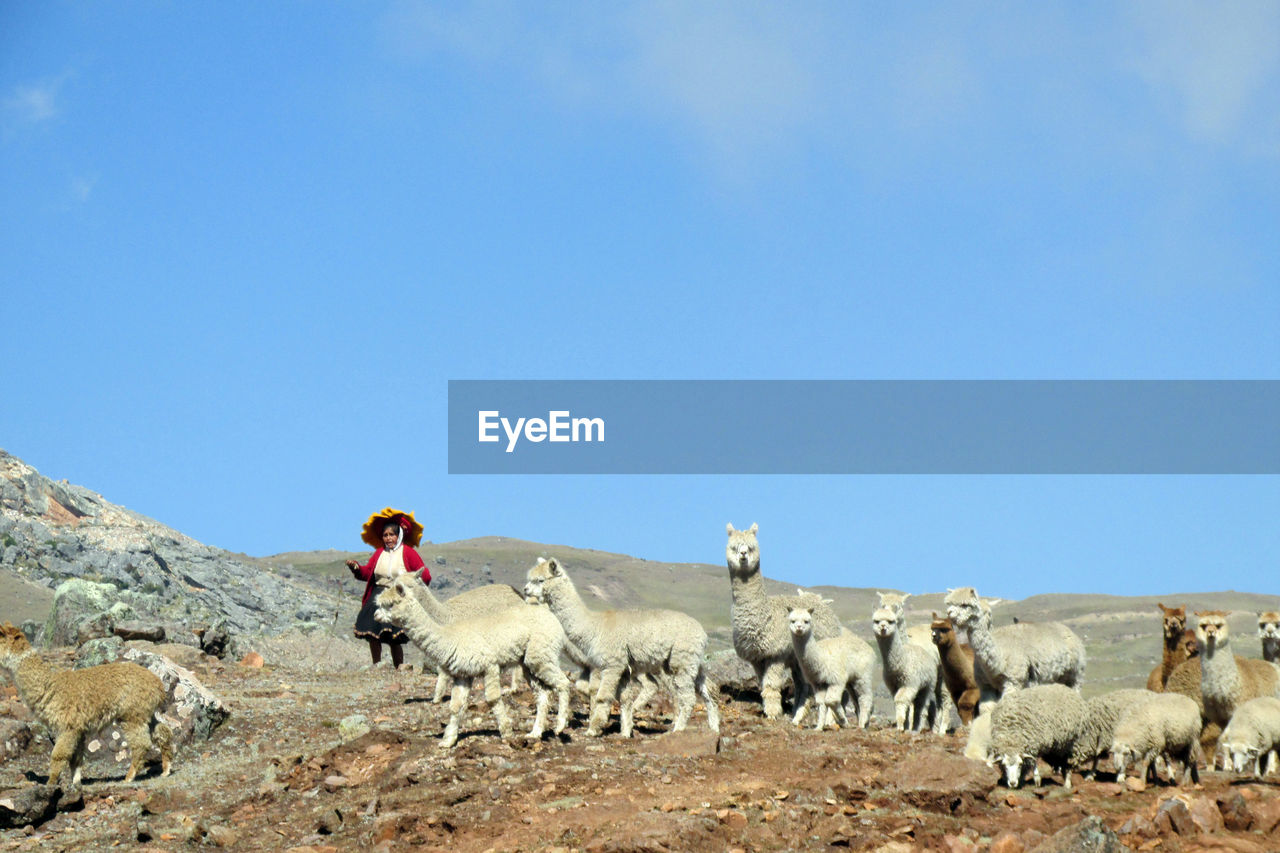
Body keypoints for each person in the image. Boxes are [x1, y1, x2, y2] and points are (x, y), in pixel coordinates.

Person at [345, 508, 431, 668]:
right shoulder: (379, 553)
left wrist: (414, 589)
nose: (388, 538)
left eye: (392, 535)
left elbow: (424, 574)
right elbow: (367, 573)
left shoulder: (408, 553)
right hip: (377, 596)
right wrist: (356, 568)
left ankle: (400, 666)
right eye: (385, 535)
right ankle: (377, 666)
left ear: (399, 536)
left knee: (393, 636)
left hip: (397, 596)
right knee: (373, 632)